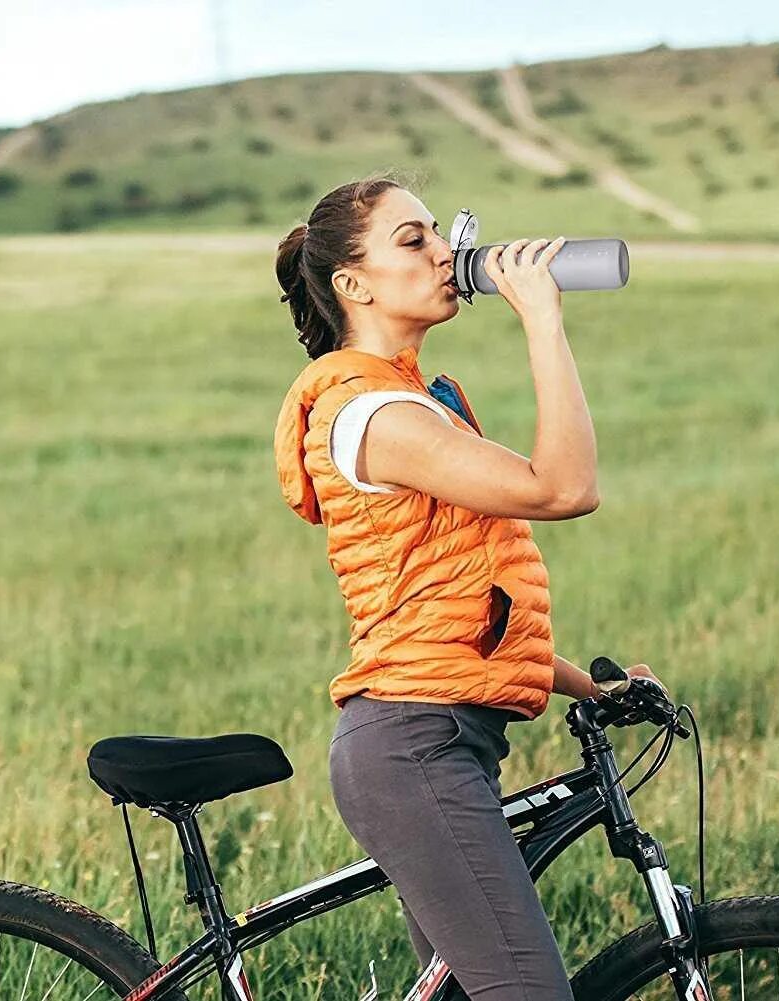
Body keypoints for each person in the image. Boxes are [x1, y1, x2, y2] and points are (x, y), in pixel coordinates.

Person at [272, 172, 664, 1001]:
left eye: (439, 233)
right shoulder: (373, 415)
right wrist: (544, 319)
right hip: (413, 745)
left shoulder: (417, 398)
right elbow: (564, 489)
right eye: (412, 240)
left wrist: (590, 684)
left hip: (442, 734)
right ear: (353, 282)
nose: (444, 252)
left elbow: (463, 606)